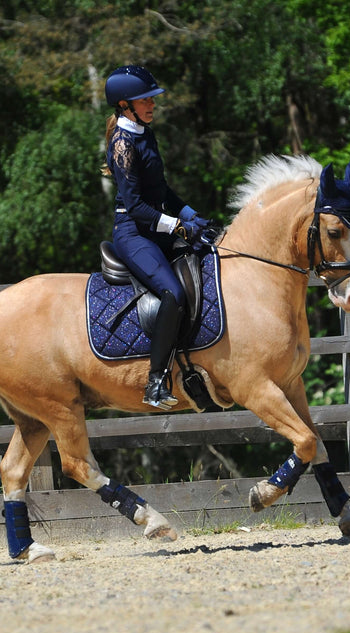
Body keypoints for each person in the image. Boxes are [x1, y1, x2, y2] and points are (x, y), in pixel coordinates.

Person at [102, 65, 211, 409]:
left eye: (151, 98)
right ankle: (156, 381)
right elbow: (136, 207)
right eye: (144, 99)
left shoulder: (145, 132)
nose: (151, 104)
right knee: (173, 292)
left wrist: (190, 213)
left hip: (156, 226)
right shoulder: (122, 144)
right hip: (133, 232)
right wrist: (178, 226)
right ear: (124, 105)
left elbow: (162, 191)